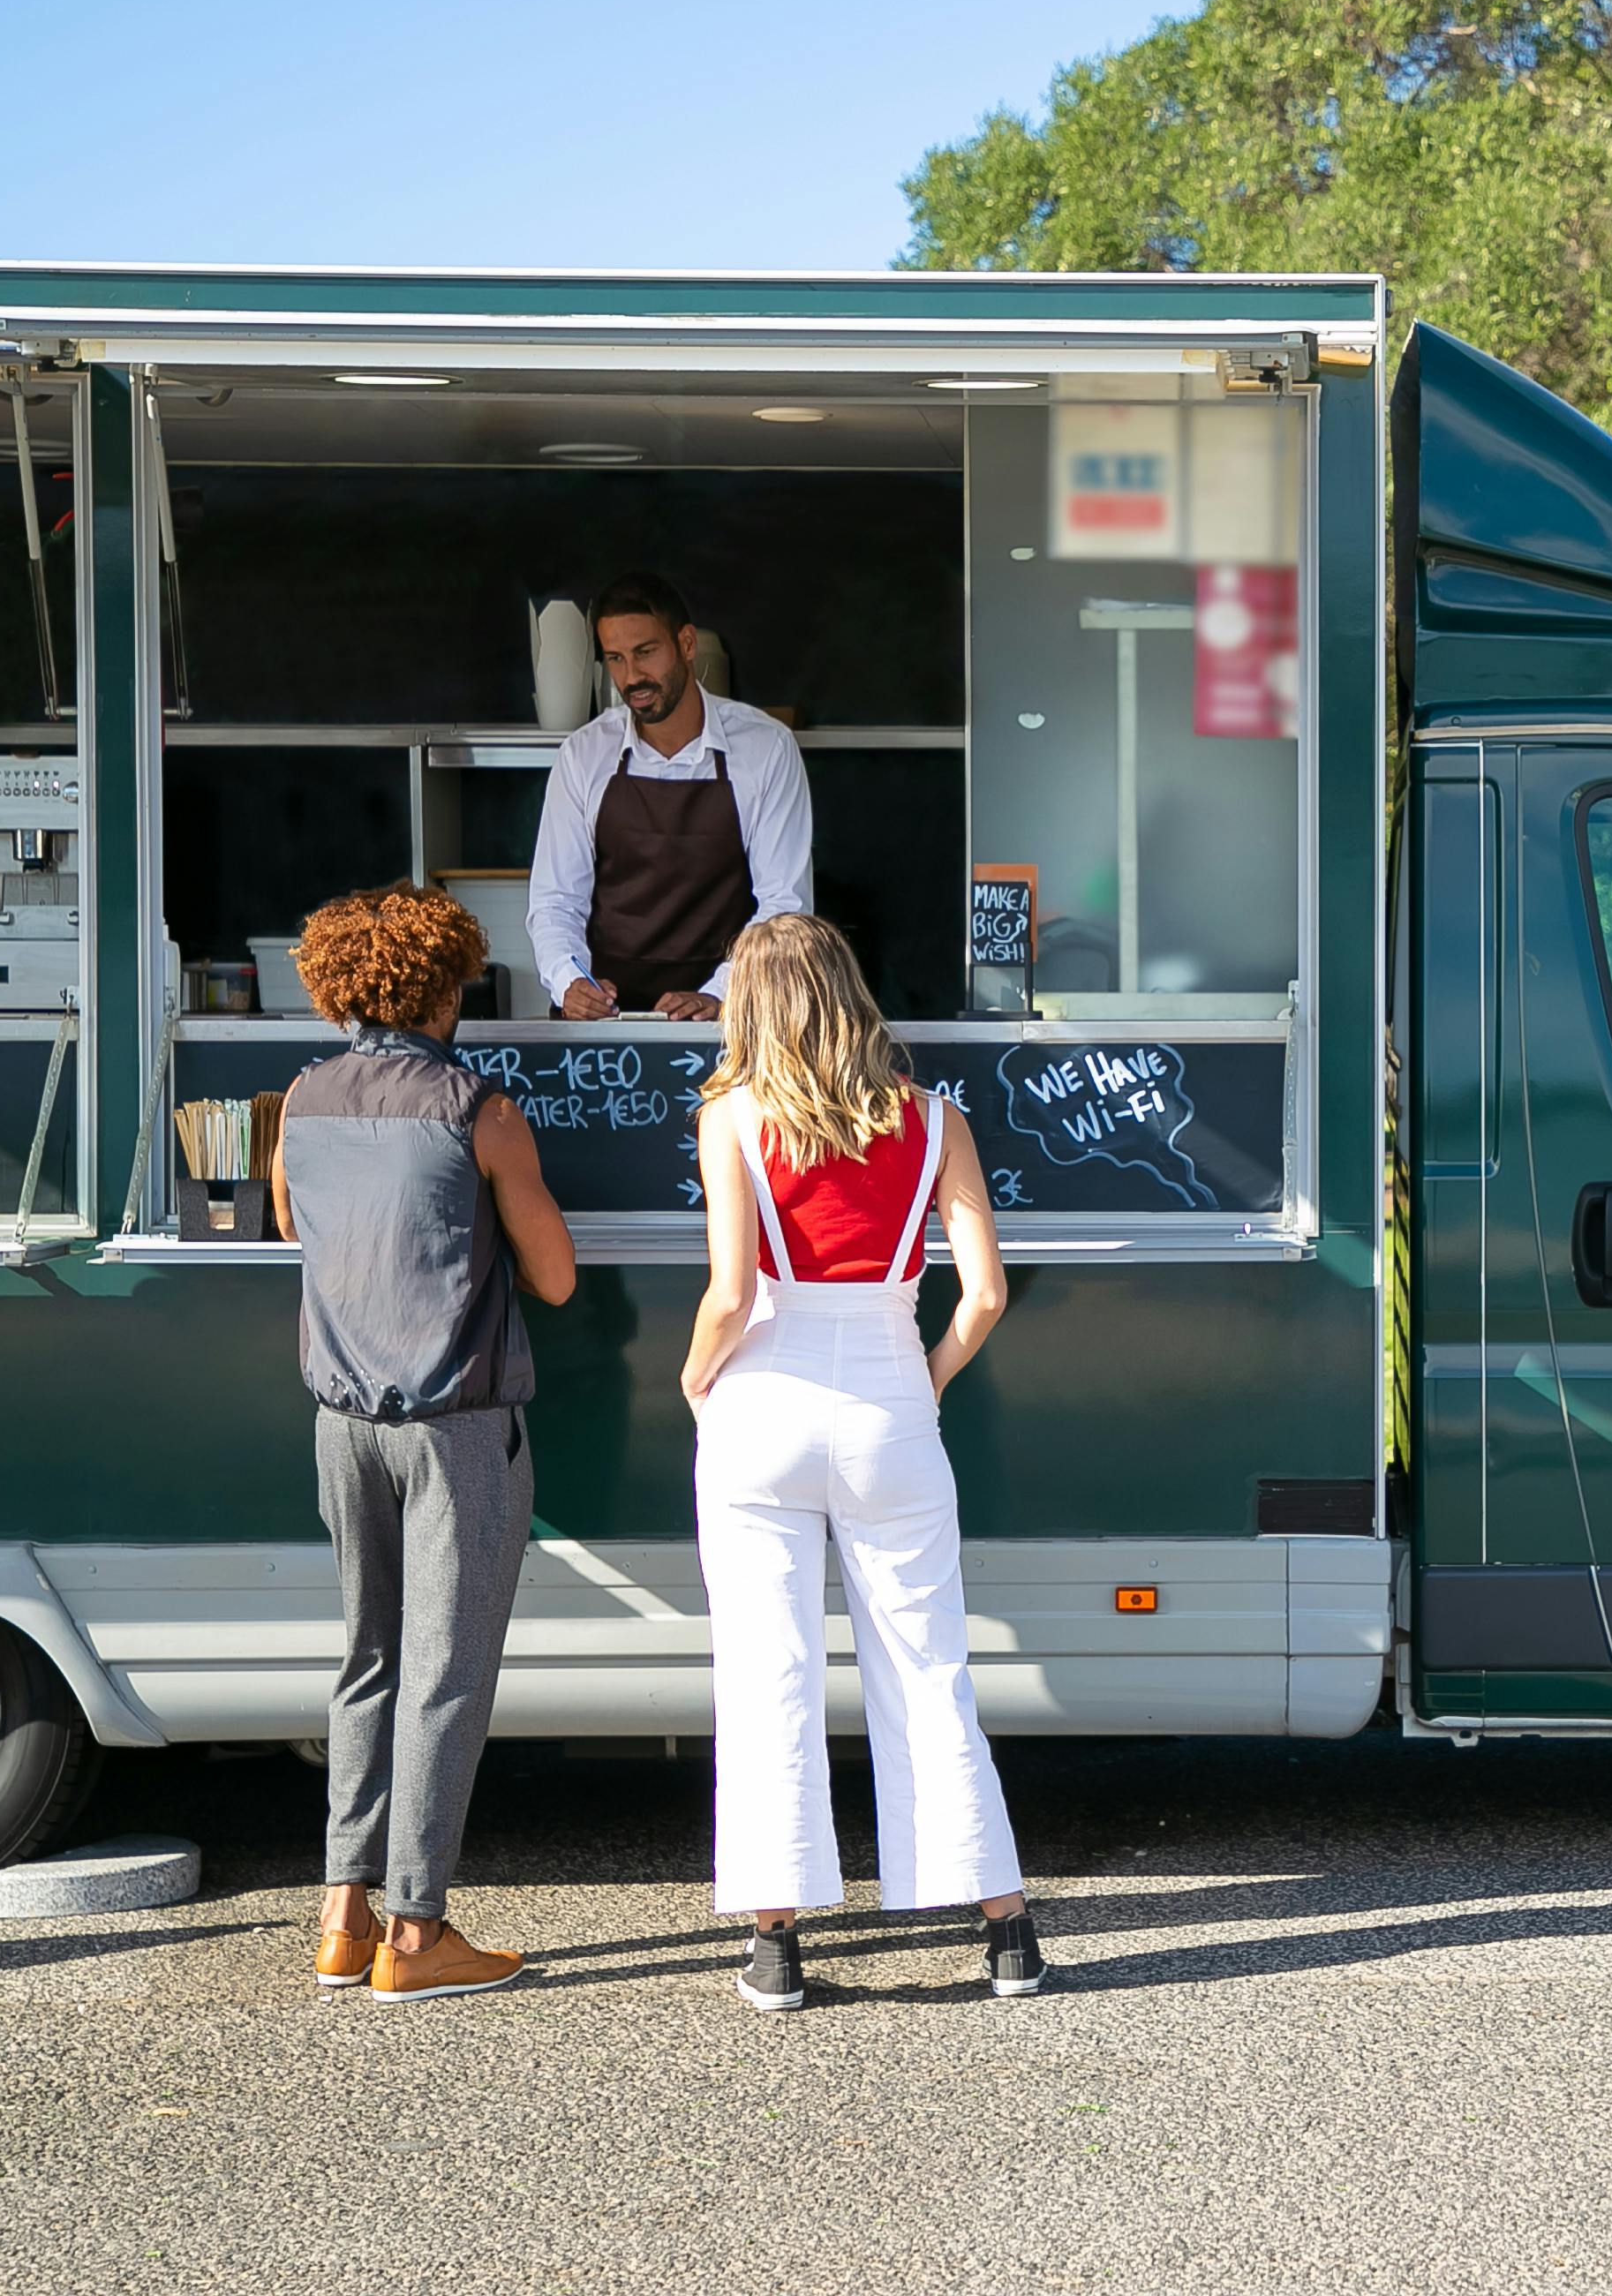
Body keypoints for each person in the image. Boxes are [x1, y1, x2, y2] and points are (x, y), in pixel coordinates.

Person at [679, 912, 1043, 2010]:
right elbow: (984, 1295)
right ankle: (1005, 1932)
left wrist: (698, 1381)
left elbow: (733, 1295)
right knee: (928, 1662)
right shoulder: (938, 1122)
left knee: (768, 1672)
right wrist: (924, 1378)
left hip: (764, 1398)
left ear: (751, 1004)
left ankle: (778, 1945)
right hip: (889, 1394)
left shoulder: (732, 1118)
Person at [270, 884, 579, 2002]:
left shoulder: (301, 1101)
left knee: (368, 1659)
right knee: (444, 1676)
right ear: (443, 985)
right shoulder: (476, 1110)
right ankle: (418, 1936)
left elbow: (297, 1226)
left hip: (340, 1423)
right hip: (455, 1428)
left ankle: (341, 1921)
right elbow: (554, 1276)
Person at [526, 570, 813, 1023]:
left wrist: (723, 992)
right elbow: (556, 901)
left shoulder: (766, 749)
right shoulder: (583, 755)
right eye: (615, 659)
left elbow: (785, 907)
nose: (632, 676)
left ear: (686, 644)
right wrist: (570, 981)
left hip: (728, 1020)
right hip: (608, 1026)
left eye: (645, 653)